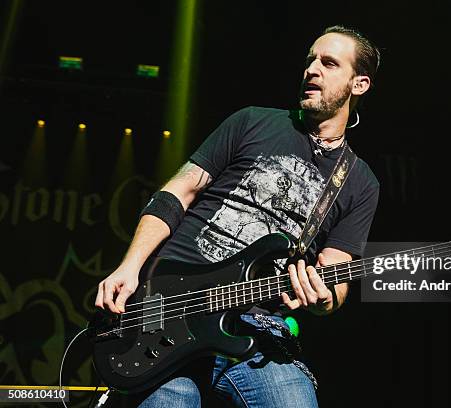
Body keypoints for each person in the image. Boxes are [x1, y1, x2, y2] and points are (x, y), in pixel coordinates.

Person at [95, 25, 381, 407]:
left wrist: (323, 298)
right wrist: (129, 267)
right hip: (172, 304)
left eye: (329, 63)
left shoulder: (360, 181)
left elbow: (336, 272)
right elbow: (177, 192)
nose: (312, 69)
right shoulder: (252, 121)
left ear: (358, 85)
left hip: (257, 327)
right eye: (310, 60)